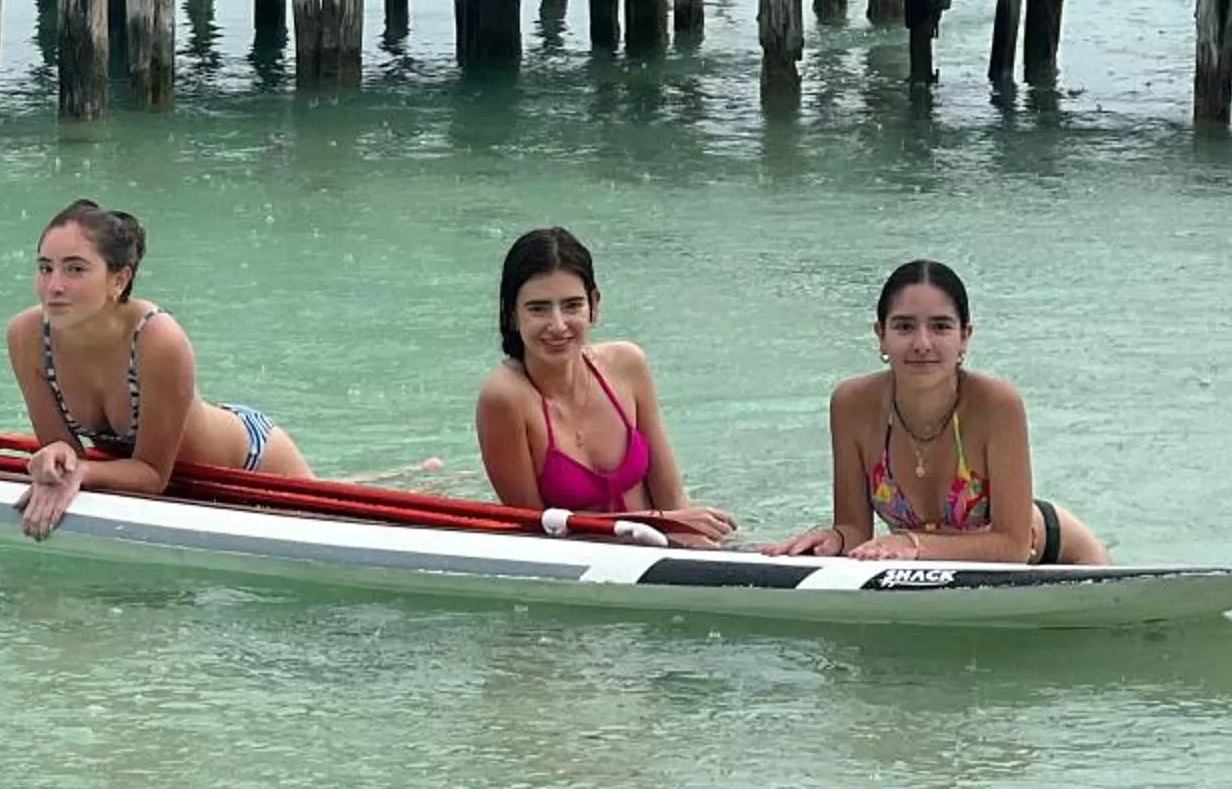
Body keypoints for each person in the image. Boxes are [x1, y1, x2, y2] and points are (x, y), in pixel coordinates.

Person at [6, 201, 316, 537]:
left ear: (119, 280)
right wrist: (60, 456)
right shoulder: (27, 336)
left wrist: (83, 471)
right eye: (45, 268)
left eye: (75, 269)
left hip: (250, 464)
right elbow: (63, 449)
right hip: (169, 482)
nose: (54, 286)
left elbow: (152, 475)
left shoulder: (156, 337)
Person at [774, 259, 1110, 564]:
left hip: (1059, 561)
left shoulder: (996, 404)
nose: (922, 343)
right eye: (904, 327)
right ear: (881, 336)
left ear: (965, 337)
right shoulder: (852, 405)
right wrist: (833, 538)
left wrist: (912, 544)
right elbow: (854, 528)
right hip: (944, 572)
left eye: (941, 327)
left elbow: (1014, 546)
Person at [474, 226, 737, 542]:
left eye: (572, 305)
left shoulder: (627, 365)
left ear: (594, 305)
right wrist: (656, 521)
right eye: (538, 308)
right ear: (511, 315)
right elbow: (535, 533)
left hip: (663, 549)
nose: (558, 325)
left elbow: (675, 505)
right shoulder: (506, 397)